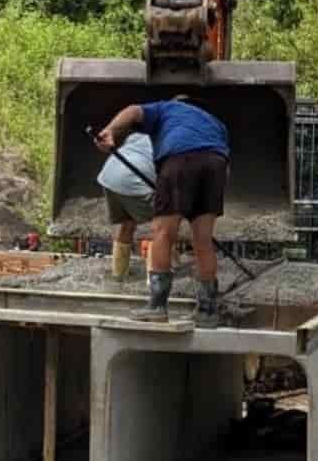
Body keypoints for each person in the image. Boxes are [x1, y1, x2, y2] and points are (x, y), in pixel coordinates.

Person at [95, 93, 230, 325]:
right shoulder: (215, 123)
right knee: (203, 240)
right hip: (216, 165)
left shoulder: (167, 108)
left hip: (180, 159)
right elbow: (225, 164)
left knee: (163, 233)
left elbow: (133, 110)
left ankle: (157, 307)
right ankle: (208, 310)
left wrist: (110, 130)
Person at [96, 129, 155, 280]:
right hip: (134, 179)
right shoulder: (169, 142)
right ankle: (154, 280)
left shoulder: (139, 135)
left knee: (127, 222)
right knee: (159, 226)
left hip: (110, 177)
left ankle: (118, 274)